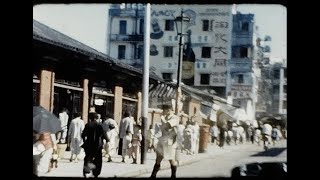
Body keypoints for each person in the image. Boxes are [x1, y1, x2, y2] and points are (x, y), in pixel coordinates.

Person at [150, 103, 179, 178]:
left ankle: (173, 176)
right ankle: (153, 176)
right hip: (162, 140)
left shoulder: (174, 118)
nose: (163, 111)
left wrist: (162, 119)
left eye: (164, 110)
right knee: (158, 159)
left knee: (171, 160)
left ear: (169, 110)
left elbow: (167, 126)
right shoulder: (165, 118)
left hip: (170, 142)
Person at [81, 112, 108, 178]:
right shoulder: (99, 125)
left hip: (89, 145)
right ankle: (96, 172)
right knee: (98, 159)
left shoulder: (88, 125)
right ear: (96, 118)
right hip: (97, 146)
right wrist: (107, 140)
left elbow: (83, 135)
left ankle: (86, 171)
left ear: (90, 118)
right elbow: (104, 135)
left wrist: (85, 142)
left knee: (88, 158)